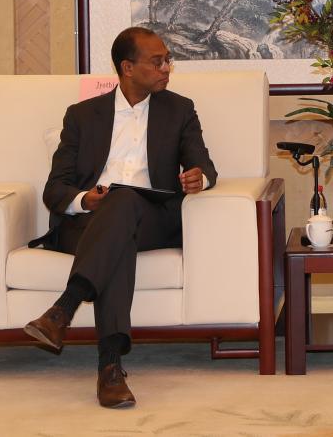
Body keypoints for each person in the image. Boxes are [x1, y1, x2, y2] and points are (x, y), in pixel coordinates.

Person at [24, 27, 217, 407]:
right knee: (117, 232)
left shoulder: (179, 110)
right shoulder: (81, 116)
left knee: (125, 200)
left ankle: (64, 309)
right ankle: (109, 367)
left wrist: (200, 177)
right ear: (127, 68)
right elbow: (55, 188)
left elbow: (204, 165)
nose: (166, 68)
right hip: (88, 224)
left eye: (168, 60)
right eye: (157, 62)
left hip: (153, 220)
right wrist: (85, 199)